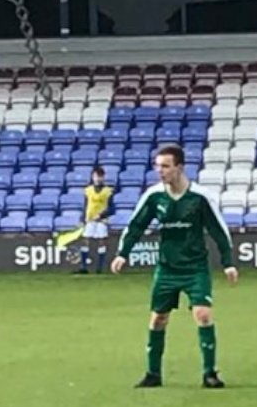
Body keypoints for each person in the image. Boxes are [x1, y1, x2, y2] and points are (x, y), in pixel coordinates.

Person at [110, 144, 238, 388]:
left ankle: (209, 373)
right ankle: (153, 373)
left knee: (203, 314)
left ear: (180, 167)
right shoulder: (154, 196)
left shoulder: (199, 198)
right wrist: (122, 253)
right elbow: (136, 225)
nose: (161, 171)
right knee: (158, 318)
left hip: (195, 267)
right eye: (158, 166)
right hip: (167, 268)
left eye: (166, 166)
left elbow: (218, 230)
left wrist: (228, 263)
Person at [75, 165, 115, 274]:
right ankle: (83, 266)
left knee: (102, 242)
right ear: (92, 177)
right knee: (85, 241)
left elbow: (112, 209)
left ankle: (100, 267)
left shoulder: (108, 191)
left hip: (101, 220)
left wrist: (101, 215)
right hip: (89, 220)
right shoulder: (88, 190)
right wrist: (82, 218)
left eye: (100, 176)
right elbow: (85, 205)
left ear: (103, 177)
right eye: (96, 176)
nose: (98, 179)